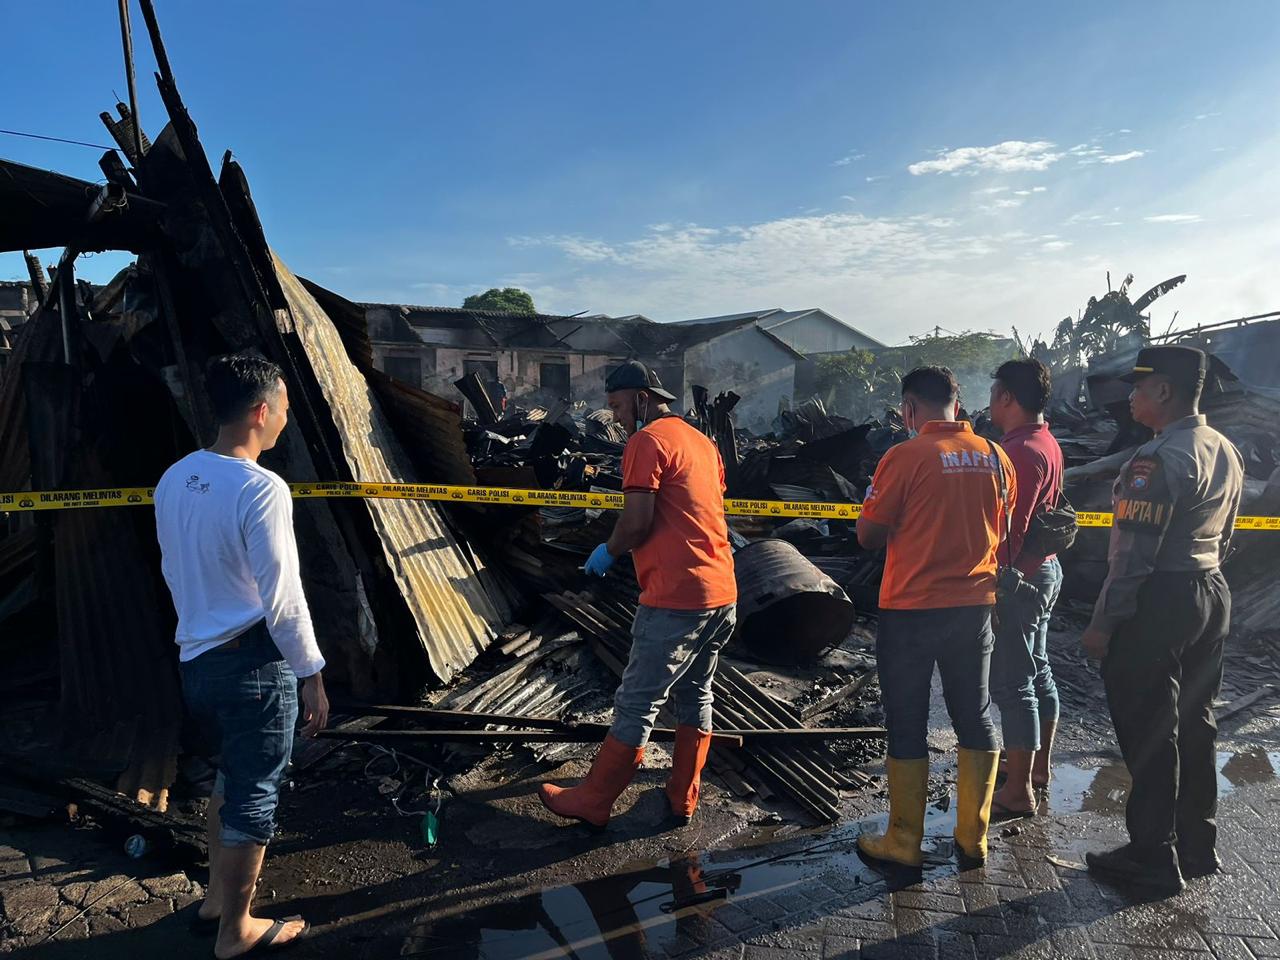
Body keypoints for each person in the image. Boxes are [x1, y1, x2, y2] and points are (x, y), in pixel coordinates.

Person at [156, 353, 329, 958]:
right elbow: (283, 597)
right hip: (252, 663)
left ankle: (214, 900)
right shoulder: (261, 488)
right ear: (260, 411)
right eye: (282, 409)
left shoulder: (176, 476)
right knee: (255, 788)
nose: (284, 419)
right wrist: (311, 673)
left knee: (229, 775)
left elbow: (174, 569)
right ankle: (237, 930)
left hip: (197, 655)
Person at [539, 360, 737, 828]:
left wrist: (607, 551)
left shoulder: (647, 441)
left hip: (677, 597)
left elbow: (637, 521)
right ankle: (683, 795)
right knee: (696, 692)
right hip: (721, 591)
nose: (616, 418)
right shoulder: (702, 443)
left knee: (637, 701)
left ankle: (594, 800)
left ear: (642, 399)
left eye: (618, 406)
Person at [1082, 346, 1243, 895]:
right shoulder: (1223, 448)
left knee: (1151, 731)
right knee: (1197, 723)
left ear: (1165, 392)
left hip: (1159, 600)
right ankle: (1198, 845)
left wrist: (1104, 623)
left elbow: (1132, 559)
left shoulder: (1155, 460)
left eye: (1139, 386)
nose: (1130, 397)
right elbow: (1228, 537)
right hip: (1210, 590)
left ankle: (1152, 856)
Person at [855, 365, 1015, 871]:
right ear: (958, 404)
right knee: (976, 714)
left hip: (912, 610)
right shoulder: (996, 456)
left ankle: (903, 841)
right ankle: (974, 837)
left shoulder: (905, 456)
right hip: (975, 608)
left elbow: (869, 535)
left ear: (908, 408)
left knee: (907, 719)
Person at [986, 358, 1065, 817]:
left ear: (1008, 398)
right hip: (1046, 569)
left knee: (1014, 684)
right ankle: (1038, 769)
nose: (990, 402)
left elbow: (1009, 531)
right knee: (1040, 670)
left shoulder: (1017, 452)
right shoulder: (1047, 443)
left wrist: (997, 587)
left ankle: (1017, 792)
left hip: (1020, 577)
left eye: (994, 393)